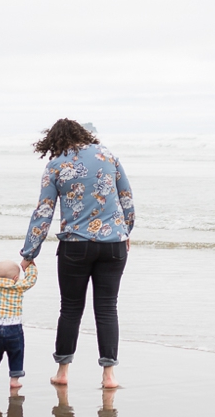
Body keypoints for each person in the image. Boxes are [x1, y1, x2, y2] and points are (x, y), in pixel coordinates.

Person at [19, 118, 133, 390]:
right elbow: (127, 198)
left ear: (55, 141)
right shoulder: (108, 155)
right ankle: (109, 376)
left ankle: (63, 371)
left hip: (75, 245)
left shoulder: (56, 165)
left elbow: (43, 212)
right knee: (107, 307)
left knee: (70, 308)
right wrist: (125, 231)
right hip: (113, 245)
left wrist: (29, 252)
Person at [0, 256, 37, 389]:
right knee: (16, 353)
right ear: (16, 277)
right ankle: (14, 380)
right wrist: (30, 265)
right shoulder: (17, 286)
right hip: (14, 329)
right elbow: (31, 280)